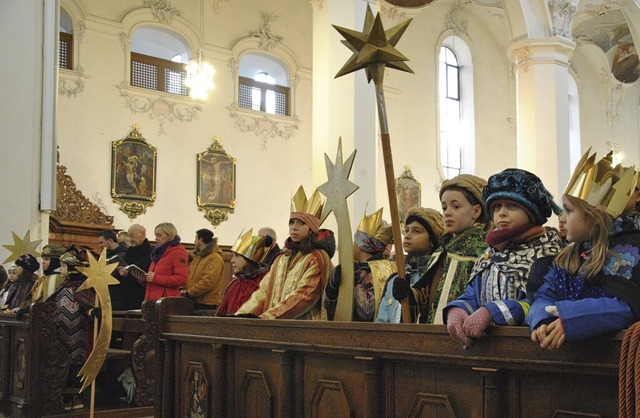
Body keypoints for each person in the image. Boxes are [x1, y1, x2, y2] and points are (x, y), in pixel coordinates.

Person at [527, 152, 640, 348]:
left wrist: (569, 318)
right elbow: (544, 296)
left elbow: (626, 306)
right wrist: (543, 320)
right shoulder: (568, 256)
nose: (561, 218)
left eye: (568, 210)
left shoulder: (628, 250)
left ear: (594, 217)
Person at [444, 168, 562, 349]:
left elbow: (542, 303)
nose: (502, 213)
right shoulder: (489, 255)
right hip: (486, 347)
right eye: (497, 207)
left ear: (531, 212)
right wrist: (458, 309)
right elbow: (472, 294)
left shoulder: (547, 253)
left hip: (528, 346)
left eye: (511, 205)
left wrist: (493, 311)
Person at [396, 174, 491, 324]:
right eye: (444, 207)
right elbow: (427, 298)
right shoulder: (441, 251)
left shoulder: (484, 252)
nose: (447, 212)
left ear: (476, 211)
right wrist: (410, 295)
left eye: (456, 206)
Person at [236, 186, 335, 319]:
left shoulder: (316, 258)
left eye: (301, 223)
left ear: (312, 229)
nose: (294, 227)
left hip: (304, 328)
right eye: (292, 222)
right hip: (275, 325)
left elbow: (305, 295)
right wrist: (241, 316)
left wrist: (270, 316)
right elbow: (263, 292)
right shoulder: (282, 257)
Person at [376, 206, 445, 323]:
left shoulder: (438, 278)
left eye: (416, 231)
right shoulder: (394, 280)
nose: (407, 236)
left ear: (432, 241)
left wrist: (412, 298)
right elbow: (382, 323)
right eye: (407, 230)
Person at [324, 208, 396, 321]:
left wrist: (353, 283)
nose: (351, 245)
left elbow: (367, 312)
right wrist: (332, 288)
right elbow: (330, 310)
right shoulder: (356, 266)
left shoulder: (382, 270)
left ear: (363, 246)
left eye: (354, 242)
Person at [51, 247, 94, 410]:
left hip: (78, 333)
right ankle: (65, 396)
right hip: (61, 331)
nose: (60, 269)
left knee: (76, 362)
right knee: (63, 362)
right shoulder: (63, 287)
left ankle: (77, 397)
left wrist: (93, 312)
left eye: (63, 266)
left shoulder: (80, 288)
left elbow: (89, 306)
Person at [216, 229, 272, 316]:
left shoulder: (261, 285)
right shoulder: (235, 283)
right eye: (232, 256)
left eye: (237, 256)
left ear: (250, 260)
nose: (232, 260)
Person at [138, 222, 188, 301]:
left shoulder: (178, 252)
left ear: (169, 236)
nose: (156, 239)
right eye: (156, 235)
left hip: (166, 300)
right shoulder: (158, 252)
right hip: (152, 299)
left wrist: (155, 278)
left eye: (159, 235)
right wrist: (144, 280)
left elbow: (181, 278)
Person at [181, 228, 226, 310]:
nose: (194, 242)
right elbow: (189, 274)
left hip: (206, 304)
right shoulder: (199, 257)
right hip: (194, 301)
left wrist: (189, 293)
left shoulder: (214, 258)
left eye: (195, 238)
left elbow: (208, 281)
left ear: (200, 240)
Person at [115, 223, 152, 310]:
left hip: (139, 292)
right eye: (129, 236)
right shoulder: (130, 250)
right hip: (126, 291)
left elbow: (146, 270)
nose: (130, 239)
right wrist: (121, 271)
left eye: (132, 236)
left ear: (142, 234)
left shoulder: (150, 251)